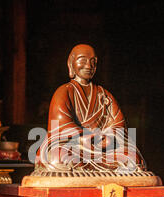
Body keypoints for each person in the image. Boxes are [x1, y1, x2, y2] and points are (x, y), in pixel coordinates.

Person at [34, 44, 148, 174]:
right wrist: (84, 137)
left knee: (133, 158)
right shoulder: (64, 92)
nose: (88, 66)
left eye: (92, 62)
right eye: (82, 60)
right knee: (56, 156)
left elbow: (119, 125)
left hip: (102, 149)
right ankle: (94, 169)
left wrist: (108, 139)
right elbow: (59, 126)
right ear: (71, 63)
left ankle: (87, 169)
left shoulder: (104, 95)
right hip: (76, 145)